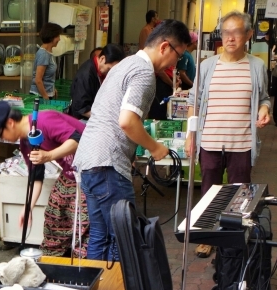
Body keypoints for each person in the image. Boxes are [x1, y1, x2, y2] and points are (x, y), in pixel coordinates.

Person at [72, 19, 191, 261]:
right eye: (178, 56)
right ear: (165, 47)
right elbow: (127, 121)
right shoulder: (144, 72)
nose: (175, 64)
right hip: (107, 163)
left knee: (100, 235)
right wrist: (155, 147)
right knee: (123, 238)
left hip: (89, 159)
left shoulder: (125, 64)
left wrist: (132, 155)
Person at [184, 11, 270, 258]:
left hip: (241, 143)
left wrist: (264, 110)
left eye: (236, 32)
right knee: (209, 190)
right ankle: (207, 237)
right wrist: (191, 136)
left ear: (248, 35)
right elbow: (194, 101)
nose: (230, 38)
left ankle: (231, 238)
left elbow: (263, 98)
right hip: (210, 140)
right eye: (225, 32)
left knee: (239, 193)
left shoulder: (257, 66)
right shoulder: (207, 66)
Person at [0, 101, 89, 257]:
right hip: (71, 172)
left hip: (93, 169)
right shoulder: (25, 142)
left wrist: (48, 156)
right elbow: (36, 177)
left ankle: (85, 259)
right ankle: (52, 257)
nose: (4, 139)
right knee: (54, 212)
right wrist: (28, 207)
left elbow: (77, 139)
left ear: (10, 123)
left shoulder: (44, 120)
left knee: (82, 219)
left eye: (2, 135)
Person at [69, 44, 126, 120]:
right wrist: (105, 118)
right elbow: (81, 108)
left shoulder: (100, 72)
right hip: (81, 120)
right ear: (102, 59)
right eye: (109, 69)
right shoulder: (86, 74)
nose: (110, 73)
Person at [30, 23, 63, 100]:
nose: (59, 39)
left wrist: (52, 89)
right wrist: (45, 97)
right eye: (58, 36)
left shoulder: (49, 53)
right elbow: (38, 80)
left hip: (47, 93)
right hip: (40, 96)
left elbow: (47, 77)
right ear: (52, 37)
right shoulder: (43, 54)